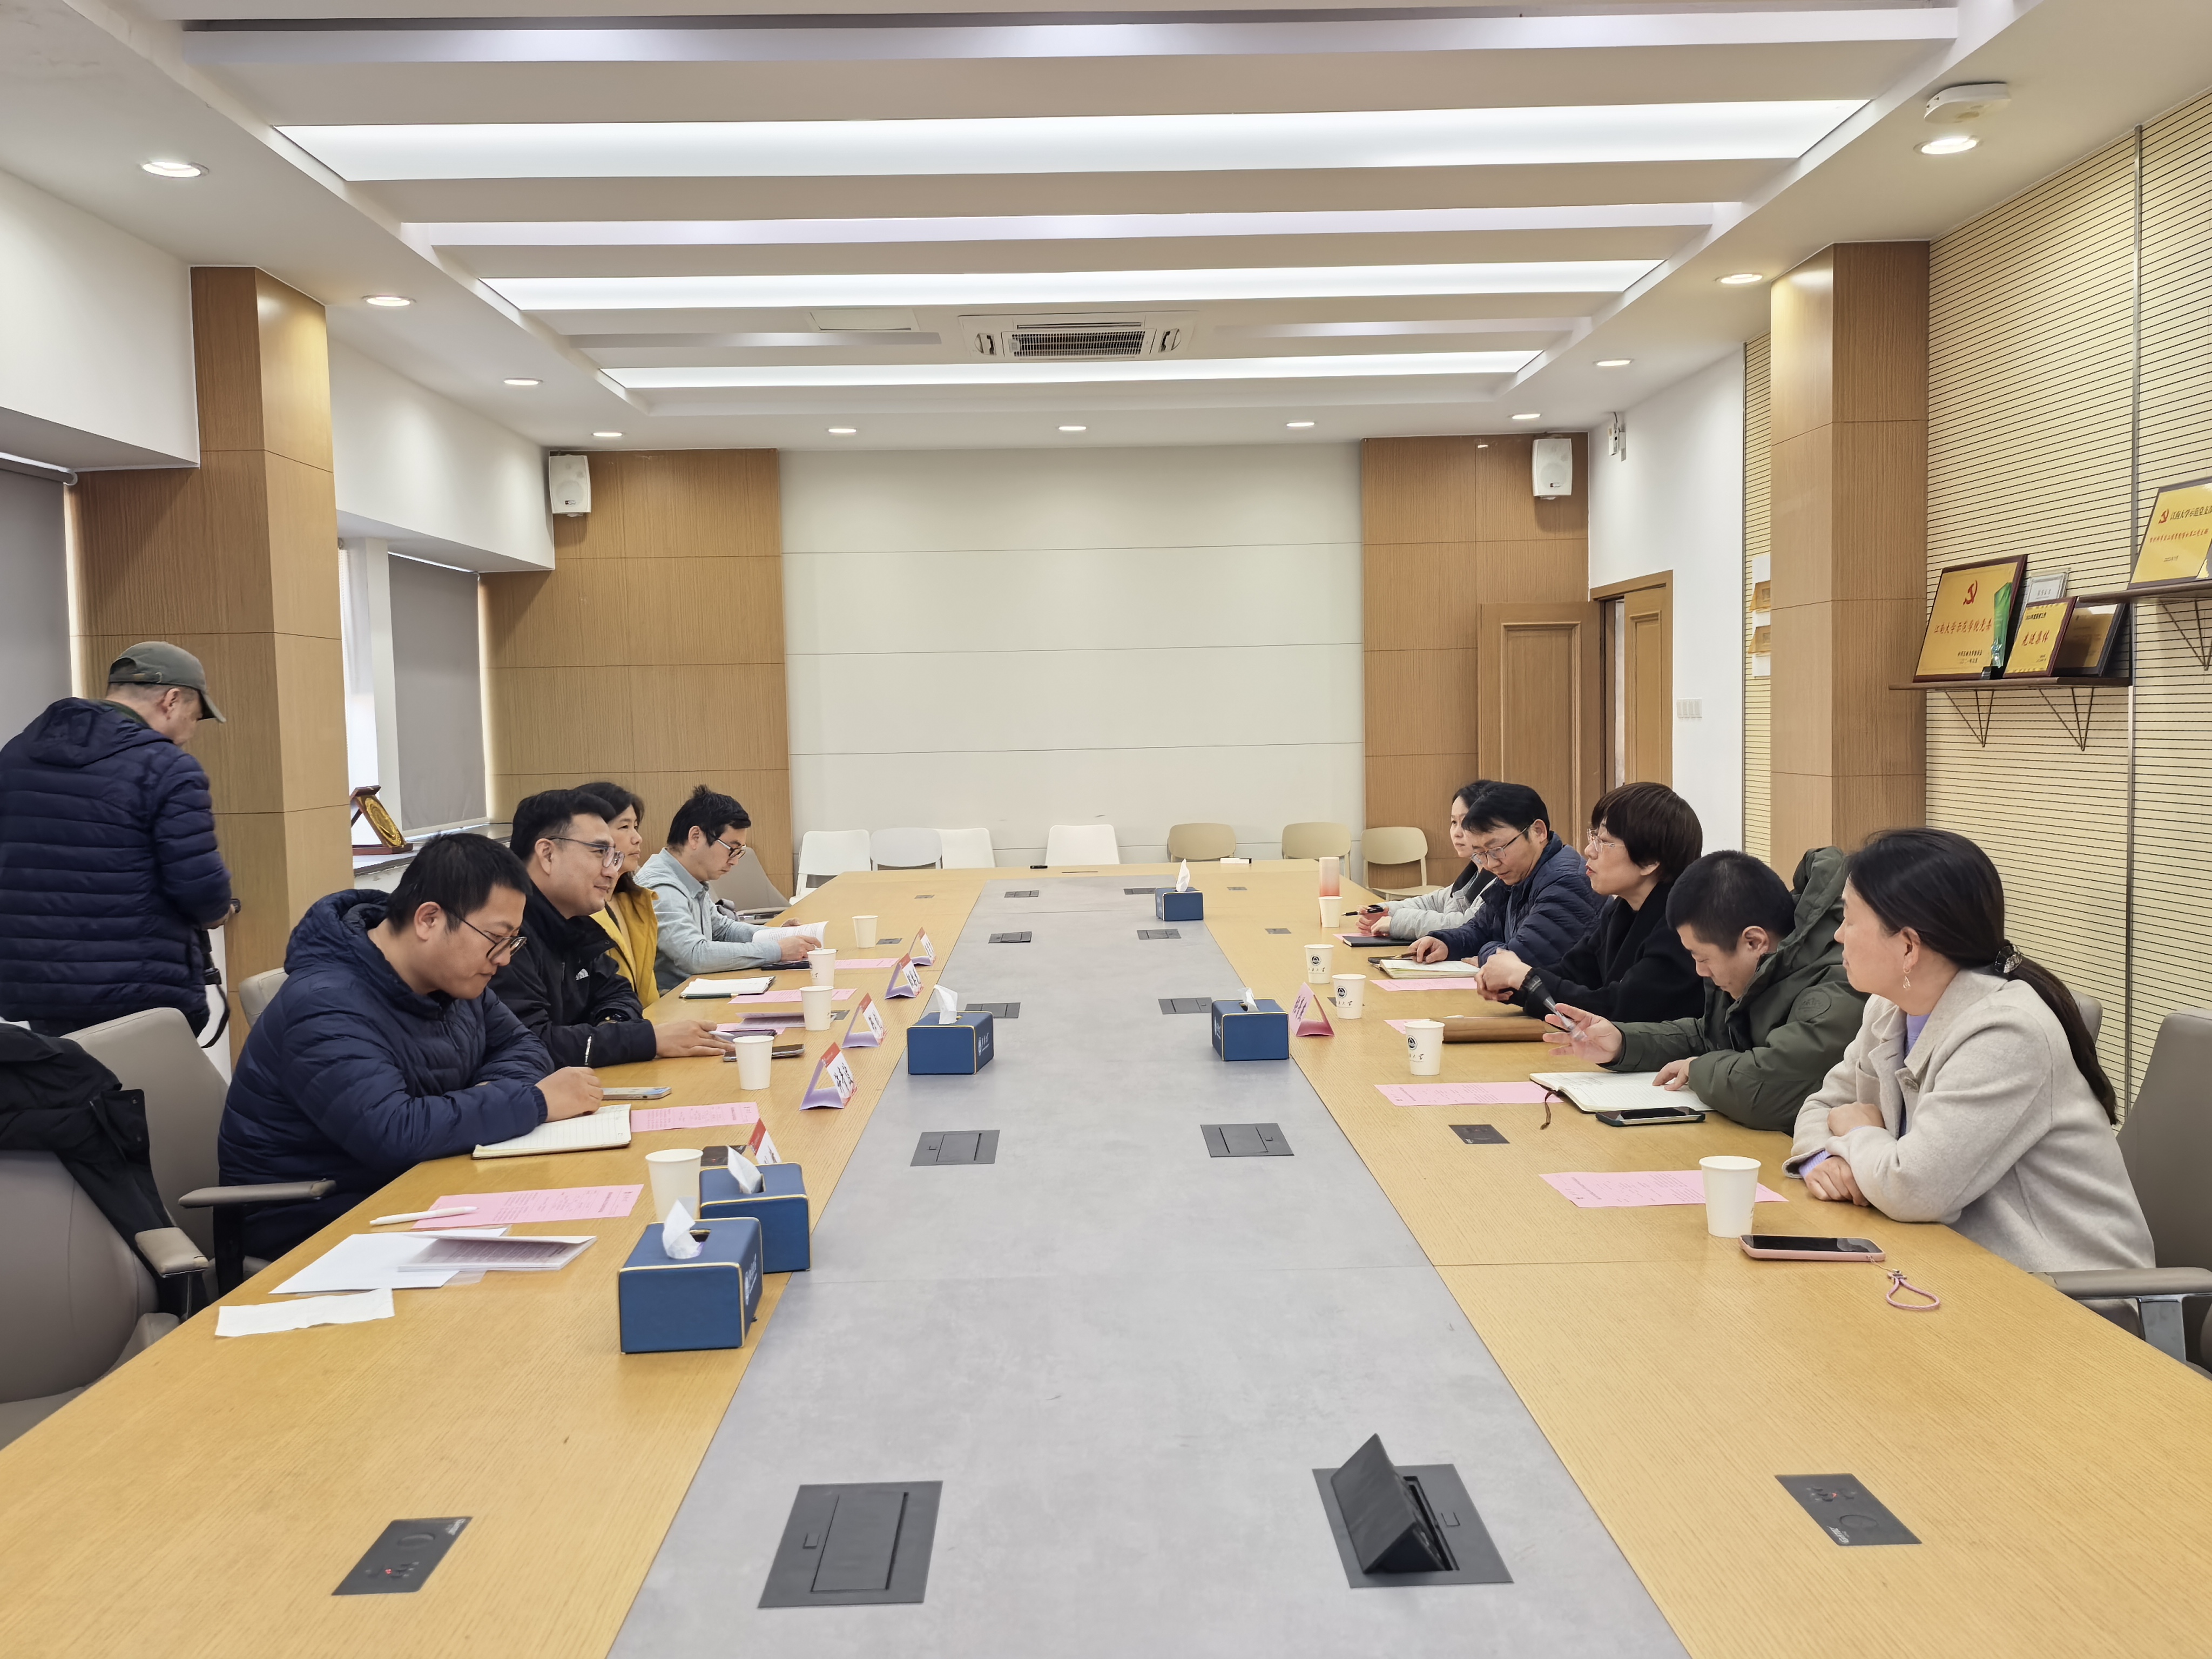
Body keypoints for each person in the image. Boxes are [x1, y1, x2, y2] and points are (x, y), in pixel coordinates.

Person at [219, 833, 604, 1260]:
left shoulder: (454, 981)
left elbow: (524, 1046)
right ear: (428, 920)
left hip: (419, 1192)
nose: (504, 959)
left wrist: (491, 1097)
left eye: (513, 940)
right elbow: (394, 1133)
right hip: (316, 1227)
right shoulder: (324, 1005)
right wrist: (531, 1102)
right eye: (496, 938)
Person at [1784, 829, 2151, 1273]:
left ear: (1908, 946)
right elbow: (1822, 1107)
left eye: (1849, 919)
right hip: (1950, 1260)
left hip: (2063, 1289)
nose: (1839, 935)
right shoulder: (1889, 1007)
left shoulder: (2006, 1032)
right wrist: (1825, 1160)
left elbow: (1912, 1187)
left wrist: (1859, 1135)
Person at [0, 642, 237, 1036]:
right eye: (195, 717)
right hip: (138, 986)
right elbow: (198, 885)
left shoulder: (16, 756)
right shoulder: (168, 767)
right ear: (171, 700)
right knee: (148, 1078)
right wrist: (217, 910)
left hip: (42, 986)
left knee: (66, 1075)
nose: (191, 732)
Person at [1540, 846, 1864, 1131]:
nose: (1700, 971)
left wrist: (1697, 1070)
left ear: (1754, 942)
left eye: (1703, 958)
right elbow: (1711, 1035)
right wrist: (1623, 1043)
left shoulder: (1836, 984)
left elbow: (1768, 1089)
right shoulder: (1764, 967)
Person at [490, 788, 734, 1065]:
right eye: (599, 853)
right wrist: (641, 1039)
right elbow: (532, 1041)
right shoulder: (506, 935)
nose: (610, 871)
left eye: (613, 856)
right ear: (547, 854)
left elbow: (619, 993)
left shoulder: (575, 922)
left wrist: (612, 1029)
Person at [1478, 781, 1704, 1023]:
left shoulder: (1683, 926)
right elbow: (1573, 973)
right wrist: (1510, 983)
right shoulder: (1622, 909)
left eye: (1603, 842)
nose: (1589, 850)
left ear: (1650, 861)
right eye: (1593, 837)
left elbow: (1620, 1010)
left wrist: (1526, 979)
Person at [1404, 781, 1599, 978]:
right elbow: (1480, 928)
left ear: (1538, 831)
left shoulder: (1566, 882)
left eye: (1497, 849)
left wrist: (1484, 954)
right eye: (1481, 854)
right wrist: (1446, 943)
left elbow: (1520, 959)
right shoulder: (1517, 874)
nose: (1490, 864)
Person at [637, 786, 817, 996]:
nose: (734, 861)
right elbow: (694, 955)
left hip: (697, 992)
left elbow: (723, 930)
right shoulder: (662, 888)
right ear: (696, 837)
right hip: (673, 1002)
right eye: (732, 849)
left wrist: (779, 936)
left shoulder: (689, 877)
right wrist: (777, 950)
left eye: (739, 852)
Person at [1351, 780, 1497, 941]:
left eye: (1465, 822)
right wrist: (1382, 910)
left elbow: (1468, 924)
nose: (1457, 832)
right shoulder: (1473, 874)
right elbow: (1432, 902)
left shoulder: (1501, 877)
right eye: (1454, 822)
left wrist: (1397, 923)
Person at [579, 781, 659, 1008]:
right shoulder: (580, 910)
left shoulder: (636, 902)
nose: (637, 838)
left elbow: (647, 993)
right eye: (625, 827)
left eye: (636, 826)